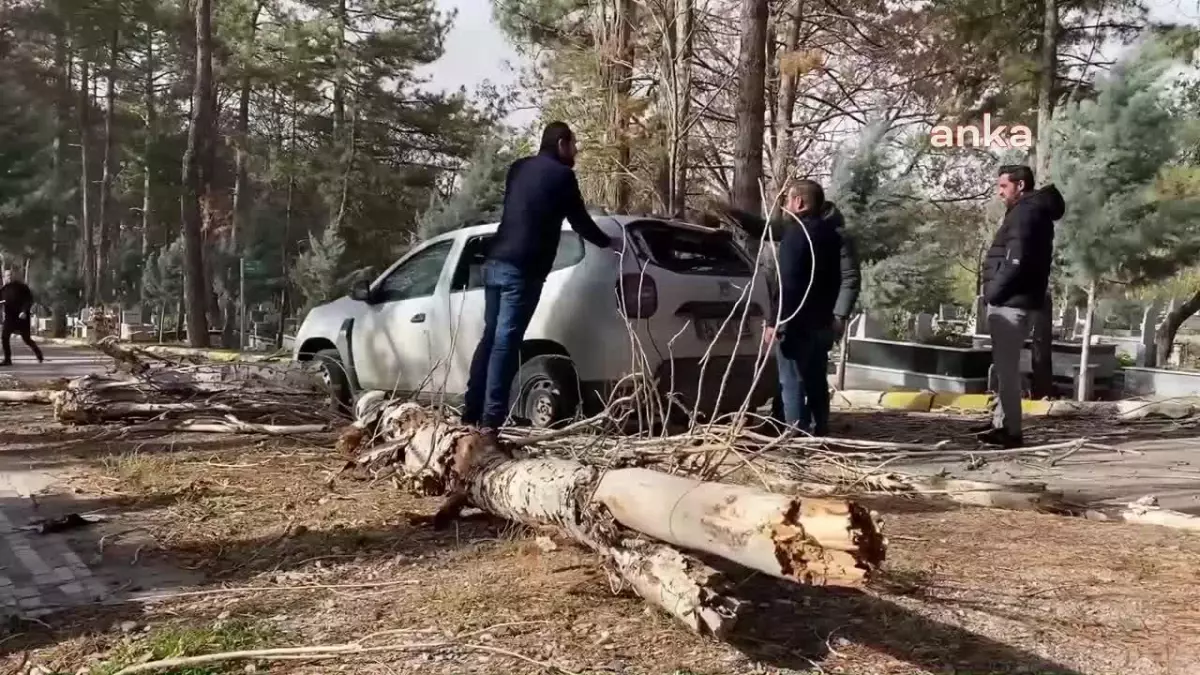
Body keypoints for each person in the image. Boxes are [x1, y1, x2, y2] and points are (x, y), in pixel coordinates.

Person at [462, 122, 614, 443]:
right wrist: (609, 242)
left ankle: (470, 414)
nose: (576, 151)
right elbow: (580, 222)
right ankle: (490, 423)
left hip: (496, 262)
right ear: (561, 144)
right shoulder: (562, 177)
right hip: (524, 269)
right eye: (573, 144)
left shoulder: (518, 168)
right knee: (506, 343)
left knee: (490, 338)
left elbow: (525, 210)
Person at [717, 182, 860, 435]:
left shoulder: (797, 234)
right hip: (823, 322)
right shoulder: (832, 234)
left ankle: (794, 434)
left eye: (787, 200)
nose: (783, 205)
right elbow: (764, 229)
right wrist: (732, 213)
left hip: (798, 321)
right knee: (815, 377)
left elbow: (788, 284)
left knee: (791, 379)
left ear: (800, 203)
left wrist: (774, 321)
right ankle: (819, 428)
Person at [978, 165, 1064, 448]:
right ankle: (1002, 423)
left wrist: (993, 293)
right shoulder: (1029, 212)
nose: (1000, 192)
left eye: (1004, 187)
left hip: (1010, 304)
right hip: (1016, 302)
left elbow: (1016, 261)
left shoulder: (1026, 214)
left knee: (1006, 370)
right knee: (1005, 369)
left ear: (1021, 185)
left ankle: (1011, 431)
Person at [0, 269, 45, 366]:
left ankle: (39, 354)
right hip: (10, 317)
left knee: (26, 339)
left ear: (15, 276)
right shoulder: (3, 289)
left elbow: (28, 300)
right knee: (4, 337)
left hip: (22, 317)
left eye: (11, 275)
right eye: (7, 275)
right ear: (4, 277)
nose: (9, 277)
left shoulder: (22, 287)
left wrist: (24, 311)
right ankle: (7, 359)